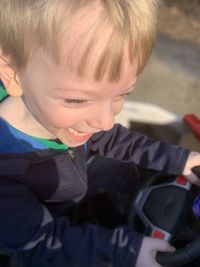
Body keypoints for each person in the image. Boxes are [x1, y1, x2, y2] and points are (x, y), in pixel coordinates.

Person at [0, 1, 199, 267]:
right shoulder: (6, 174)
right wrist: (125, 250)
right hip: (34, 237)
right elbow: (39, 243)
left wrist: (179, 160)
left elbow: (114, 138)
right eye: (77, 101)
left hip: (74, 184)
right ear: (12, 75)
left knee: (121, 169)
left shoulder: (68, 117)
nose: (106, 121)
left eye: (122, 94)